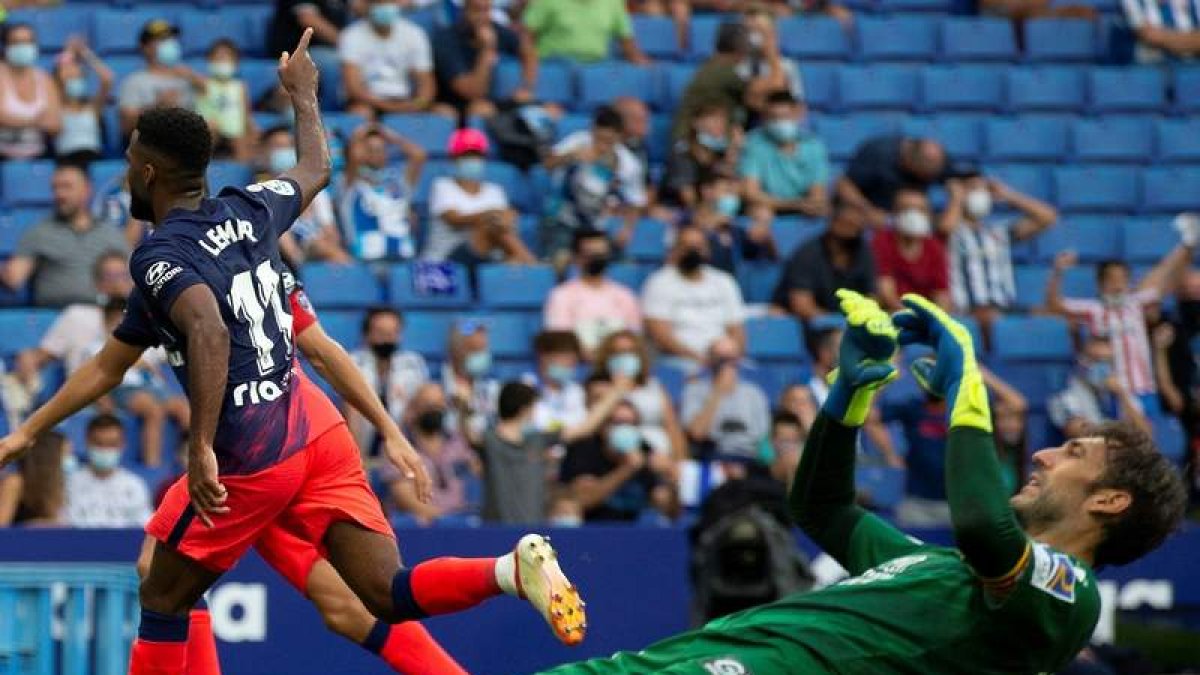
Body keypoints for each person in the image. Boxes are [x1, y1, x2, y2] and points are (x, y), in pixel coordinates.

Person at [1, 33, 586, 675]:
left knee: (162, 594)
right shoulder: (252, 214)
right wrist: (305, 95)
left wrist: (200, 447)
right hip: (312, 423)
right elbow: (316, 171)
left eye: (130, 160)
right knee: (378, 595)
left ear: (146, 173)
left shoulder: (160, 258)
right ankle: (509, 570)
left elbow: (211, 332)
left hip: (252, 452)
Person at [539, 289, 1188, 675]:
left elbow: (983, 526)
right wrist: (847, 396)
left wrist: (968, 385)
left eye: (1072, 451)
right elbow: (821, 507)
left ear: (1108, 500)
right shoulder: (935, 568)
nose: (1043, 454)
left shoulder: (1069, 596)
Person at [1047, 216, 1199, 411]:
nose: (1118, 285)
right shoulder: (1093, 310)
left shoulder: (1136, 304)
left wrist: (1187, 248)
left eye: (1123, 280)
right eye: (1112, 280)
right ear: (1101, 284)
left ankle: (1189, 241)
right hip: (1113, 391)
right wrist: (1058, 272)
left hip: (1144, 388)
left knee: (1144, 438)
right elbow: (1054, 305)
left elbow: (1166, 282)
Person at [478, 379, 631, 524]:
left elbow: (586, 428)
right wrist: (616, 391)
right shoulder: (489, 441)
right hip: (496, 532)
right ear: (525, 409)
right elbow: (586, 427)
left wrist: (615, 393)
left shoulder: (538, 439)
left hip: (531, 534)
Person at [943, 171, 1058, 335]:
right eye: (973, 189)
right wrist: (956, 198)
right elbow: (945, 229)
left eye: (983, 190)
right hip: (967, 312)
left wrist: (1008, 195)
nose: (979, 194)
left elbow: (1048, 217)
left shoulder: (998, 232)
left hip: (1004, 312)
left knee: (1051, 321)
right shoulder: (953, 233)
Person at [1, 164, 129, 308]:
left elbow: (130, 281)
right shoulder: (39, 232)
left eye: (67, 187)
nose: (60, 194)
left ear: (87, 190)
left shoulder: (110, 233)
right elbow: (14, 278)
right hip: (56, 316)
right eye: (55, 188)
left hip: (102, 315)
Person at [543, 105, 648, 266]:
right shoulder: (577, 142)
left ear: (619, 137)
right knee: (559, 263)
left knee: (624, 265)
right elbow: (548, 164)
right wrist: (570, 157)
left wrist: (627, 230)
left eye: (609, 141)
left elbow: (635, 201)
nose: (603, 146)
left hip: (598, 227)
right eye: (599, 139)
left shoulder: (629, 164)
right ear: (592, 131)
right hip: (562, 220)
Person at [423, 128, 535, 269]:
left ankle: (525, 262)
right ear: (454, 158)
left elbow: (505, 222)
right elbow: (454, 219)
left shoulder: (495, 190)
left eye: (477, 155)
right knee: (489, 225)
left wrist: (506, 216)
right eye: (466, 155)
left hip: (487, 259)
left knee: (507, 246)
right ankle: (533, 265)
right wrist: (490, 214)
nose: (473, 160)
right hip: (445, 261)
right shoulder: (442, 186)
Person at [559, 397, 677, 522]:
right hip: (593, 530)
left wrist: (670, 480)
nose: (624, 429)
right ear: (603, 426)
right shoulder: (585, 449)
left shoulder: (644, 450)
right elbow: (585, 499)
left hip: (633, 533)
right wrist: (627, 469)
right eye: (618, 423)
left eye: (630, 424)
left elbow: (669, 509)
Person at [642, 227, 747, 365]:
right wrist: (699, 360)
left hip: (723, 357)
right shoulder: (659, 283)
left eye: (698, 247)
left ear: (707, 250)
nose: (692, 251)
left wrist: (732, 356)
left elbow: (737, 329)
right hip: (679, 359)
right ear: (675, 250)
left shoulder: (724, 281)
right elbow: (660, 335)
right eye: (687, 246)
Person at [383, 382, 481, 525]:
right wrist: (440, 519)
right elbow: (402, 495)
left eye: (439, 404)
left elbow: (476, 473)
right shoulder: (398, 446)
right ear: (414, 408)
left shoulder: (458, 442)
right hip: (419, 526)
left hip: (461, 522)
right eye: (428, 404)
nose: (434, 410)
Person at [772, 197, 875, 321]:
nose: (853, 232)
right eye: (848, 224)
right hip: (809, 325)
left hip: (850, 323)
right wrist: (833, 322)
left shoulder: (862, 252)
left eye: (857, 228)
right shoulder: (807, 254)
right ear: (834, 223)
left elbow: (871, 296)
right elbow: (802, 305)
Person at [671, 21, 779, 141]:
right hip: (692, 146)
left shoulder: (714, 66)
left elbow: (756, 102)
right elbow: (774, 86)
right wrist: (772, 54)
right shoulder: (721, 71)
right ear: (741, 49)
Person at [346, 307, 429, 458]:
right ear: (367, 335)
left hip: (404, 434)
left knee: (429, 397)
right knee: (352, 401)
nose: (387, 339)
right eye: (381, 333)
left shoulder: (413, 364)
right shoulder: (352, 362)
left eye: (392, 333)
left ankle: (422, 461)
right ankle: (356, 462)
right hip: (364, 440)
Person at [592, 330, 688, 461]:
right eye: (618, 352)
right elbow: (602, 427)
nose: (625, 357)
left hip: (664, 456)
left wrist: (680, 462)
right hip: (627, 458)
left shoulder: (653, 385)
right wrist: (618, 387)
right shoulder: (598, 388)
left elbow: (672, 426)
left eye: (630, 352)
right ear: (608, 356)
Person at [543, 229, 642, 355]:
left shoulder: (625, 295)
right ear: (576, 258)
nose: (598, 258)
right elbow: (561, 341)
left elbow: (634, 337)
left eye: (602, 253)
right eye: (591, 254)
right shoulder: (561, 295)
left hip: (618, 365)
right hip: (579, 367)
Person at [432, 0, 538, 118]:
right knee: (477, 110)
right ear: (464, 11)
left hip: (489, 100)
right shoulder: (446, 40)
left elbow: (528, 52)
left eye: (486, 10)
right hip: (452, 102)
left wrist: (526, 87)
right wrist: (486, 50)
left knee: (550, 109)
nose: (482, 17)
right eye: (477, 11)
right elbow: (472, 92)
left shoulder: (497, 30)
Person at [261, 126, 351, 264]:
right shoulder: (261, 195)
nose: (285, 151)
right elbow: (285, 244)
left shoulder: (317, 192)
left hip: (323, 254)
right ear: (265, 153)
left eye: (289, 145)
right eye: (279, 146)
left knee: (329, 251)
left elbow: (332, 233)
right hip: (290, 262)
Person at [339, 123, 425, 261]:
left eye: (381, 149)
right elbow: (353, 156)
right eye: (370, 149)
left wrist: (388, 134)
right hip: (367, 258)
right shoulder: (350, 182)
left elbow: (418, 155)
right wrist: (364, 131)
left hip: (403, 254)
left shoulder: (398, 181)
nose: (376, 154)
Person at [740, 90, 830, 221]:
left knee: (826, 212)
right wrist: (794, 205)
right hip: (769, 207)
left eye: (785, 116)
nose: (780, 122)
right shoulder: (754, 143)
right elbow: (750, 192)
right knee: (761, 213)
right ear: (765, 118)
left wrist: (812, 204)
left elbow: (817, 191)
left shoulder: (814, 146)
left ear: (798, 114)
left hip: (804, 208)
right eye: (774, 117)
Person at [339, 0, 435, 118]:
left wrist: (417, 104)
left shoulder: (415, 33)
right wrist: (390, 107)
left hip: (405, 100)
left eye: (388, 2)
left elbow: (426, 84)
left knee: (444, 113)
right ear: (368, 5)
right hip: (370, 102)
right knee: (359, 113)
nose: (384, 7)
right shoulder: (351, 35)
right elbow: (354, 88)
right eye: (378, 3)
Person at [682, 336, 771, 462]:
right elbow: (697, 433)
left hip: (748, 458)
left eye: (732, 359)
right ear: (710, 360)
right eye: (722, 359)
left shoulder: (754, 393)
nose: (727, 365)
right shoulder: (694, 390)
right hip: (712, 456)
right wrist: (717, 393)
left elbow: (762, 438)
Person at [1049, 335, 1152, 439]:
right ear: (1083, 362)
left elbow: (1147, 436)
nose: (1103, 367)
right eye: (1097, 360)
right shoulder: (1067, 396)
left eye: (1107, 361)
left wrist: (1122, 395)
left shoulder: (1121, 393)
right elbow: (1082, 437)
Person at [837, 135, 947, 229]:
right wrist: (868, 210)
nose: (927, 180)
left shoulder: (937, 162)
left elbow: (956, 182)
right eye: (923, 174)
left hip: (916, 220)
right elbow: (844, 185)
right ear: (907, 161)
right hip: (875, 218)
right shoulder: (878, 153)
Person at [65, 414, 153, 528]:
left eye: (112, 444)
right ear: (87, 442)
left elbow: (145, 529)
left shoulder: (135, 486)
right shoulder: (70, 484)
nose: (105, 449)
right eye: (99, 443)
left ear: (122, 444)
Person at [872, 188, 951, 312]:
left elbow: (941, 293)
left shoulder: (934, 246)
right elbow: (886, 292)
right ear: (894, 213)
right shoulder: (882, 242)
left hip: (924, 318)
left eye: (920, 210)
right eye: (906, 209)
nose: (913, 215)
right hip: (890, 314)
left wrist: (936, 320)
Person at [118, 20, 195, 137]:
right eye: (163, 40)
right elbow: (126, 126)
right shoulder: (134, 81)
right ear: (145, 47)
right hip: (151, 147)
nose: (170, 43)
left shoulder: (186, 79)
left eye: (172, 39)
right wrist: (157, 107)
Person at [661, 102, 742, 210]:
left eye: (722, 119)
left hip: (716, 206)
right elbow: (687, 196)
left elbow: (733, 183)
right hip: (681, 209)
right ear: (696, 123)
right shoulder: (683, 151)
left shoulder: (721, 150)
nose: (720, 124)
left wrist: (734, 149)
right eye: (713, 118)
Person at [0, 22, 61, 160]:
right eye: (16, 42)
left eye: (28, 42)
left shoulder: (45, 79)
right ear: (6, 47)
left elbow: (55, 124)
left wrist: (12, 120)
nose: (22, 47)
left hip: (38, 156)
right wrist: (35, 121)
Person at [523, 0, 651, 64]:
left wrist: (649, 67)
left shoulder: (614, 2)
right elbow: (526, 35)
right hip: (553, 66)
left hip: (597, 68)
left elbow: (627, 40)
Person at [193, 39, 257, 162]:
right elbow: (185, 74)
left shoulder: (240, 87)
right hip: (211, 129)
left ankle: (242, 171)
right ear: (209, 61)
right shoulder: (203, 84)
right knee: (210, 130)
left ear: (236, 63)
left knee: (244, 140)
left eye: (227, 58)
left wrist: (251, 130)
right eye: (218, 58)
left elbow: (246, 114)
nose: (222, 62)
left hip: (235, 131)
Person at [53, 36, 112, 164]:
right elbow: (53, 80)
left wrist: (85, 52)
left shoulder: (93, 108)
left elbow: (107, 78)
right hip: (66, 162)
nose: (74, 80)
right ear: (58, 81)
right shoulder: (55, 106)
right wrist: (68, 52)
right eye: (69, 77)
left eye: (78, 77)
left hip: (93, 160)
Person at [443, 318, 502, 444]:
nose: (481, 356)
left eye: (483, 350)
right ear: (456, 349)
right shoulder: (437, 385)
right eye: (474, 350)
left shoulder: (491, 387)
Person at [0, 431, 67, 527]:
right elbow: (2, 528)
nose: (68, 460)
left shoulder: (54, 487)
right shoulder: (14, 482)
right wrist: (33, 526)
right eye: (65, 455)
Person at [528, 331, 588, 432]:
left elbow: (581, 422)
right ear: (543, 357)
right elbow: (538, 425)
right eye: (564, 357)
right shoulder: (527, 386)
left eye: (573, 359)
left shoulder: (577, 391)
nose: (570, 364)